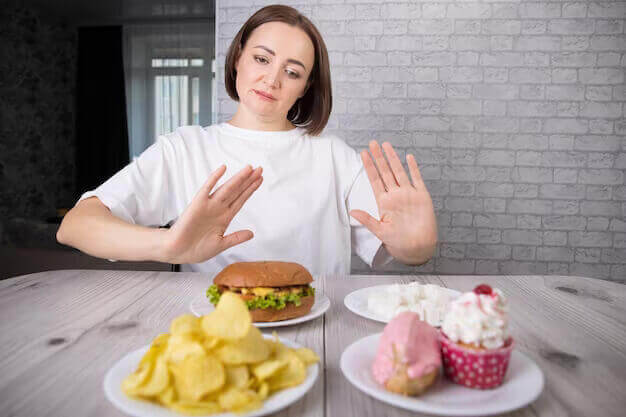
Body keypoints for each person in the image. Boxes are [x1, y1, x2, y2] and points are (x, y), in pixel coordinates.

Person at [56, 5, 437, 276]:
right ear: (237, 58)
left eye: (292, 71)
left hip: (319, 333)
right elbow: (75, 226)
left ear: (305, 88)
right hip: (215, 339)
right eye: (261, 59)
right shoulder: (185, 149)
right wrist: (168, 245)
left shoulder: (336, 158)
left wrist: (416, 245)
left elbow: (403, 249)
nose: (272, 80)